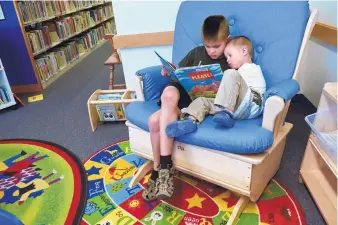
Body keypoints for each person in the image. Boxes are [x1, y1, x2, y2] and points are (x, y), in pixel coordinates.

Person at [142, 15, 230, 201]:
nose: (212, 51)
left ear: (227, 41)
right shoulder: (196, 53)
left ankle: (157, 172)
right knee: (167, 95)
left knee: (153, 122)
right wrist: (168, 70)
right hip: (179, 95)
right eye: (208, 46)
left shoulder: (230, 61)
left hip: (195, 105)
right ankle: (165, 168)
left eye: (217, 46)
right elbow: (179, 72)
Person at [166, 36, 266, 137]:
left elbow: (254, 91)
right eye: (226, 57)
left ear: (244, 51)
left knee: (230, 73)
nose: (228, 60)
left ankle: (227, 113)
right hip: (235, 107)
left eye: (230, 55)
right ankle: (190, 120)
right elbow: (230, 91)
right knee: (202, 100)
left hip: (251, 104)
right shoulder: (237, 73)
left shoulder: (252, 68)